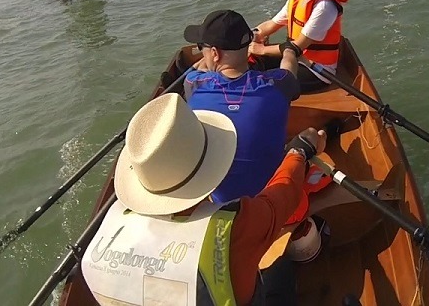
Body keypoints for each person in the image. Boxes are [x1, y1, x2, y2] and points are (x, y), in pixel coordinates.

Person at [81, 93, 327, 305]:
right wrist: (300, 150)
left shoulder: (107, 229)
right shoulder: (235, 228)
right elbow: (282, 196)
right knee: (280, 270)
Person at [182, 9, 301, 204]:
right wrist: (289, 50)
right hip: (269, 199)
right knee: (312, 135)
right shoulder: (279, 84)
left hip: (220, 201)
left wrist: (210, 57)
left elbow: (200, 69)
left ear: (214, 53)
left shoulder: (194, 84)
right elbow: (289, 67)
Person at [250, 0, 349, 93]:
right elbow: (271, 25)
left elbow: (297, 46)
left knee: (265, 84)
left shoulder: (324, 6)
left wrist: (262, 49)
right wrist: (251, 37)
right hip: (293, 58)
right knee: (250, 63)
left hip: (316, 70)